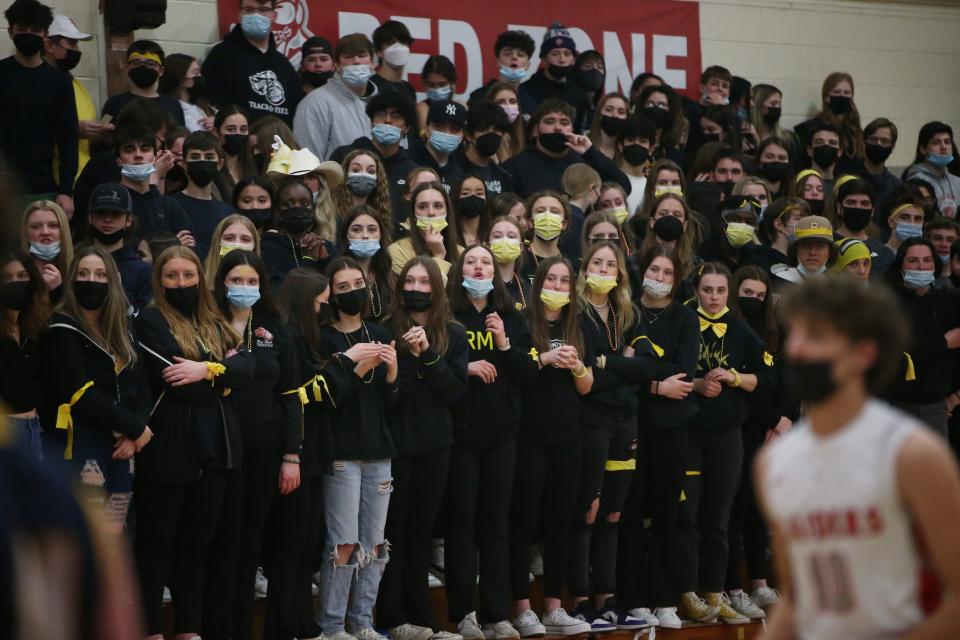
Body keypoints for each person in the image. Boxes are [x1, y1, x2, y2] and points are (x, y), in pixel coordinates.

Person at [757, 277, 960, 640]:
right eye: (796, 334)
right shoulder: (774, 463)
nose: (799, 349)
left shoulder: (913, 455)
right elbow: (798, 598)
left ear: (863, 353)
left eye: (816, 336)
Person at [133, 245, 254, 640]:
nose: (181, 283)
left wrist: (205, 369)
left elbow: (248, 368)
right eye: (172, 276)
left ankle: (188, 631)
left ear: (201, 279)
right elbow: (177, 384)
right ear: (159, 281)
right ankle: (150, 631)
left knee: (197, 550)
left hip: (215, 451)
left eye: (188, 275)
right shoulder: (150, 320)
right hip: (169, 449)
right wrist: (222, 377)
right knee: (156, 548)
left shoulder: (214, 320)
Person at [207, 250, 301, 640]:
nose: (244, 288)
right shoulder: (206, 324)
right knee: (216, 540)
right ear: (221, 282)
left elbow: (291, 393)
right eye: (236, 280)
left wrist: (291, 455)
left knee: (248, 543)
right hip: (216, 448)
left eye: (251, 282)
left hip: (265, 449)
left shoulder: (275, 328)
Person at [444, 244, 536, 640]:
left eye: (484, 261)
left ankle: (498, 613)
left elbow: (529, 374)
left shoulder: (511, 318)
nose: (479, 267)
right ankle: (464, 613)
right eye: (471, 261)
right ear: (459, 270)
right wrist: (465, 368)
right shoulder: (448, 317)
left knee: (496, 525)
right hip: (461, 436)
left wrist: (502, 344)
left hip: (502, 437)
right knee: (462, 525)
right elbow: (435, 367)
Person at [378, 256, 469, 640]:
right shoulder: (384, 330)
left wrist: (428, 355)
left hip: (436, 445)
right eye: (409, 281)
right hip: (395, 446)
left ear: (437, 288)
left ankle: (421, 617)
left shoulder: (453, 333)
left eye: (424, 282)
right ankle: (391, 615)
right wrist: (408, 361)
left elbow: (453, 393)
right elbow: (386, 398)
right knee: (392, 533)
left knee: (420, 533)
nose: (416, 288)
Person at [569, 241, 655, 632]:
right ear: (585, 268)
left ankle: (607, 596)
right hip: (591, 421)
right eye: (597, 263)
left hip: (626, 420)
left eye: (611, 264)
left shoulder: (629, 314)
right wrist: (620, 368)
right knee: (588, 509)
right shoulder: (575, 313)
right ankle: (580, 598)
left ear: (621, 274)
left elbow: (648, 369)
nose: (604, 269)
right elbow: (585, 375)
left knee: (614, 514)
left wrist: (608, 365)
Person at [678, 261, 768, 625]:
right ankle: (685, 591)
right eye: (707, 290)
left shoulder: (741, 329)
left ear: (729, 293)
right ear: (696, 290)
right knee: (686, 516)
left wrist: (735, 377)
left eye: (720, 291)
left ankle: (715, 591)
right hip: (687, 431)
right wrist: (698, 384)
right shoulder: (682, 320)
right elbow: (664, 369)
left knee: (718, 518)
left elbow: (766, 377)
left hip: (728, 435)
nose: (714, 298)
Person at [509, 256, 594, 637]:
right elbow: (518, 375)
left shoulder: (579, 325)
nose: (558, 287)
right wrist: (545, 358)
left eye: (564, 281)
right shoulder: (522, 322)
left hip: (568, 435)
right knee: (524, 520)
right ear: (539, 282)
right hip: (530, 434)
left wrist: (577, 367)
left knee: (562, 521)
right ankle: (522, 607)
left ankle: (555, 608)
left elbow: (587, 385)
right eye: (552, 279)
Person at [38, 246, 150, 526]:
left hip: (123, 449)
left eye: (101, 274)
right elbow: (79, 393)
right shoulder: (60, 327)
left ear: (113, 282)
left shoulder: (122, 330)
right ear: (72, 280)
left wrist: (133, 433)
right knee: (86, 534)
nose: (92, 280)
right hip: (82, 446)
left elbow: (142, 387)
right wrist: (134, 428)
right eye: (84, 273)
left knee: (118, 534)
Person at [316, 256, 398, 640]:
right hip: (342, 453)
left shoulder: (379, 331)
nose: (352, 292)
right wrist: (357, 368)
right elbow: (327, 398)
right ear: (331, 294)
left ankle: (362, 621)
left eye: (357, 284)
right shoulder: (324, 337)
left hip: (379, 451)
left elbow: (391, 402)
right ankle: (332, 626)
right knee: (344, 543)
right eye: (343, 286)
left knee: (376, 544)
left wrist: (393, 373)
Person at [616, 246, 698, 630]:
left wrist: (644, 372)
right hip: (632, 425)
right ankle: (633, 599)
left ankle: (665, 599)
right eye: (654, 270)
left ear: (676, 280)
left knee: (667, 515)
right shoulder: (627, 311)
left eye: (668, 273)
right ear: (642, 272)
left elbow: (682, 372)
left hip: (672, 429)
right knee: (630, 514)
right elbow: (620, 368)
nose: (660, 278)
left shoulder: (685, 317)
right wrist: (654, 384)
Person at [275, 268, 357, 639]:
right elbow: (306, 394)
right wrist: (350, 361)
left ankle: (303, 624)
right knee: (291, 548)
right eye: (321, 300)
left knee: (307, 547)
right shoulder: (290, 336)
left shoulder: (308, 338)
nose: (326, 306)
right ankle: (286, 626)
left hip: (316, 455)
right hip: (298, 456)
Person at [723, 266, 785, 620]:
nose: (753, 300)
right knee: (733, 511)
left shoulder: (774, 335)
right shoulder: (731, 332)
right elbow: (752, 390)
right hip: (741, 429)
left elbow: (779, 382)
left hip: (770, 435)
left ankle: (759, 582)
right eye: (746, 292)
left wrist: (783, 418)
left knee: (759, 511)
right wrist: (773, 418)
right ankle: (733, 587)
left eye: (760, 296)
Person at [0, 0, 78, 216]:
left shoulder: (60, 82)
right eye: (21, 29)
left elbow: (68, 139)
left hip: (45, 189)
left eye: (35, 30)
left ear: (45, 34)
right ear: (10, 32)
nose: (28, 34)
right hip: (5, 189)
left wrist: (66, 191)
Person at [881, 237, 960, 438]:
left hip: (936, 406)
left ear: (935, 264)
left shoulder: (950, 299)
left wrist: (955, 396)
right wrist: (943, 343)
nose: (921, 266)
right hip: (893, 405)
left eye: (927, 260)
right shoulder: (888, 302)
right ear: (901, 266)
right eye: (913, 261)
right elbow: (897, 349)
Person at [503, 98, 631, 198]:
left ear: (572, 130)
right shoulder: (515, 166)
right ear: (535, 130)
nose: (558, 127)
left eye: (564, 123)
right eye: (549, 121)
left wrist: (590, 152)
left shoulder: (583, 163)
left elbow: (624, 186)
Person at [329, 92, 419, 233]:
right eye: (381, 114)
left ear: (406, 127)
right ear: (372, 122)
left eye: (396, 116)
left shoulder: (411, 170)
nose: (388, 120)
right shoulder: (344, 156)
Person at [201, 0, 302, 124]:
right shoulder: (222, 54)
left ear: (274, 16)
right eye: (248, 10)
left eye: (263, 10)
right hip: (238, 139)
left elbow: (295, 112)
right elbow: (210, 103)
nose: (256, 15)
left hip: (278, 140)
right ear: (240, 15)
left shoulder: (284, 65)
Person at [0, 247, 51, 460]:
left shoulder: (32, 327)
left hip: (33, 427)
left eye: (22, 276)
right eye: (6, 277)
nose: (16, 283)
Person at [293, 33, 378, 161]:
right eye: (348, 57)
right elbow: (307, 161)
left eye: (362, 56)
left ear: (372, 63)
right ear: (337, 65)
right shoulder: (314, 103)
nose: (356, 61)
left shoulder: (384, 104)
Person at [43, 12, 104, 178]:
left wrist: (100, 131)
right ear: (49, 45)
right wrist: (71, 129)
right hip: (52, 181)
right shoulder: (39, 84)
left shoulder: (74, 83)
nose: (76, 50)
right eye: (71, 43)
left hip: (80, 178)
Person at [113, 124, 196, 244]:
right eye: (129, 150)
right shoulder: (112, 202)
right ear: (118, 160)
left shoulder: (170, 207)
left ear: (154, 157)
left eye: (145, 149)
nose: (138, 155)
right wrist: (171, 245)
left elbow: (191, 249)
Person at [86, 183, 153, 312]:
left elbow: (145, 320)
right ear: (90, 217)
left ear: (129, 220)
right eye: (101, 213)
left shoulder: (143, 271)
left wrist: (120, 291)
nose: (107, 219)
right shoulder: (76, 261)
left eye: (116, 214)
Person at [169, 131, 234, 260]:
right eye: (195, 157)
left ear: (220, 164)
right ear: (184, 164)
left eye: (209, 157)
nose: (202, 161)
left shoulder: (228, 212)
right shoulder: (171, 206)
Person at [261, 177, 333, 291]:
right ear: (278, 210)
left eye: (305, 204)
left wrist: (325, 260)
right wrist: (308, 259)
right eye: (289, 204)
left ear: (312, 209)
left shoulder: (325, 246)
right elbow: (279, 292)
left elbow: (336, 287)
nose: (298, 208)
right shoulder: (269, 247)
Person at [101, 40, 186, 127]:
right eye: (136, 63)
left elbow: (180, 136)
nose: (143, 67)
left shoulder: (173, 105)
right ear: (127, 68)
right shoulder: (114, 103)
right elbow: (101, 131)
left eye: (150, 64)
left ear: (161, 70)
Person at [388, 181, 463, 276]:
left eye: (438, 206)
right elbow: (423, 290)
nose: (431, 212)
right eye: (422, 207)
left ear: (447, 212)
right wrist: (438, 255)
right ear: (414, 215)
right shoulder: (398, 251)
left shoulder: (461, 254)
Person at [793, 72, 864, 172]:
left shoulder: (856, 130)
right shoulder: (811, 128)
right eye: (837, 92)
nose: (842, 96)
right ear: (826, 97)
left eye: (846, 93)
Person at [337, 205, 395, 323]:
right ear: (346, 236)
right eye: (356, 230)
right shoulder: (336, 275)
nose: (365, 235)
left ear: (380, 235)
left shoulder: (390, 276)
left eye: (372, 229)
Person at [519, 23, 588, 121]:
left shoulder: (580, 93)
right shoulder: (527, 90)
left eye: (567, 54)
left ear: (574, 59)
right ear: (544, 59)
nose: (562, 59)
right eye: (555, 54)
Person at [832, 175, 895, 275]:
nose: (858, 207)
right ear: (839, 208)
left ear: (872, 211)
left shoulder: (885, 254)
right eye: (851, 202)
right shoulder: (827, 246)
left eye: (864, 203)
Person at [468, 29, 537, 116]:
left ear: (527, 65)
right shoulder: (479, 97)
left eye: (520, 55)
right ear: (497, 62)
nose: (514, 57)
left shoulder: (530, 102)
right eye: (508, 54)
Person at [455, 102, 515, 196]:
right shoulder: (455, 171)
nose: (491, 135)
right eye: (484, 130)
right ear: (468, 135)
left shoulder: (504, 176)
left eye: (496, 130)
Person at [903, 121, 960, 219]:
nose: (944, 147)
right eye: (936, 143)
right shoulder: (915, 181)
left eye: (947, 142)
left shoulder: (957, 181)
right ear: (923, 149)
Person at [408, 100, 468, 191]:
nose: (447, 133)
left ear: (462, 135)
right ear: (427, 129)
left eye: (454, 129)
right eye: (440, 127)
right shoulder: (408, 162)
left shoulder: (460, 172)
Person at [20, 200, 73, 300]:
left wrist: (58, 291)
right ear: (25, 233)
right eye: (35, 226)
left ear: (64, 230)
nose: (45, 232)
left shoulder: (77, 269)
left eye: (53, 225)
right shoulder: (15, 273)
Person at [332, 150, 394, 232]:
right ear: (346, 175)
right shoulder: (332, 213)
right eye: (356, 170)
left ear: (377, 179)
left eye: (370, 171)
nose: (363, 175)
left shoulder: (382, 214)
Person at [771, 215, 835, 293]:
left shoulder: (838, 287)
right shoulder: (778, 282)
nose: (812, 252)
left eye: (820, 247)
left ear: (830, 252)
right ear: (795, 250)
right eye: (806, 246)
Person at [518, 191, 570, 284]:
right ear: (530, 223)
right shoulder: (518, 260)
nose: (547, 216)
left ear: (564, 224)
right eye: (540, 211)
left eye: (554, 211)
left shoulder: (572, 265)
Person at [747, 197, 809, 274]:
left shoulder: (801, 263)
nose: (807, 225)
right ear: (779, 224)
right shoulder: (759, 265)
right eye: (799, 219)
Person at [857, 117, 902, 219]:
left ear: (893, 146)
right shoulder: (851, 178)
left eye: (884, 141)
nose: (878, 144)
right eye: (873, 139)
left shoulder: (896, 186)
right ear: (863, 142)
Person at [212, 104, 258, 201]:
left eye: (243, 129)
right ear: (216, 132)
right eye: (230, 129)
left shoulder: (251, 168)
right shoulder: (211, 170)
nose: (238, 134)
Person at [203, 213, 260, 287]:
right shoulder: (199, 281)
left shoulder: (264, 287)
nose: (237, 244)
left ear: (254, 246)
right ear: (218, 243)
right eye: (229, 238)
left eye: (245, 239)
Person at [159, 53, 212, 133]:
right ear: (180, 77)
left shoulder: (199, 103)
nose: (199, 76)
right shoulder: (174, 109)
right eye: (195, 73)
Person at [615, 116, 657, 216]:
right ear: (620, 146)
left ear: (651, 149)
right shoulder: (611, 178)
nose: (636, 144)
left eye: (642, 141)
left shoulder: (655, 184)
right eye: (630, 140)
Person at [559, 164, 601, 262]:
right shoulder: (579, 221)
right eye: (599, 189)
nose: (600, 194)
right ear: (591, 189)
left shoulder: (560, 213)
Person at [751, 84, 800, 165]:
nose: (777, 107)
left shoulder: (789, 138)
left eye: (779, 104)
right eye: (773, 104)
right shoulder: (745, 137)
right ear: (758, 106)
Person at [488, 215, 530, 309]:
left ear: (521, 247)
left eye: (511, 236)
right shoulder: (479, 286)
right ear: (488, 245)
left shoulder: (529, 291)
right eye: (497, 236)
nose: (504, 240)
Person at [370, 20, 417, 105]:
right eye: (390, 44)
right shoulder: (370, 86)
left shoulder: (409, 89)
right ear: (379, 52)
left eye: (403, 43)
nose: (398, 48)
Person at [415, 55, 458, 132]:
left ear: (452, 82)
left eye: (442, 84)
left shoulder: (461, 107)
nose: (437, 89)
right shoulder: (422, 108)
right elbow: (425, 135)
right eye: (431, 85)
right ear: (424, 83)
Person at [453, 174, 493, 249]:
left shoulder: (493, 233)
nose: (473, 197)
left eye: (479, 193)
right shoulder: (447, 234)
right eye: (465, 193)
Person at [588, 94, 630, 159]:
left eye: (621, 112)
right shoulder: (584, 146)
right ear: (599, 114)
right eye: (609, 110)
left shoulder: (629, 152)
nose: (615, 115)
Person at [804, 119, 841, 190]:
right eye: (819, 142)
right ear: (809, 150)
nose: (826, 145)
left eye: (832, 143)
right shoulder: (798, 183)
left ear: (840, 151)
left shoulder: (842, 186)